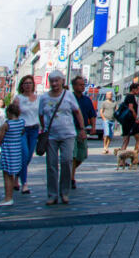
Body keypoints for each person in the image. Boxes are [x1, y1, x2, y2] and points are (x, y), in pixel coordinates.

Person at [39, 70, 86, 205]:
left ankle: (64, 192)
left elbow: (77, 112)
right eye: (52, 81)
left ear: (62, 82)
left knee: (66, 162)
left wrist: (82, 129)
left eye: (57, 81)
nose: (54, 84)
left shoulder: (68, 95)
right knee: (51, 165)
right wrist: (44, 129)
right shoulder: (44, 98)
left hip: (68, 134)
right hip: (51, 136)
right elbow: (41, 115)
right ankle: (52, 195)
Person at [13, 75, 40, 194]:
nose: (28, 85)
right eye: (25, 83)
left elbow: (41, 113)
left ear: (33, 85)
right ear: (22, 86)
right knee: (24, 154)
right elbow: (13, 115)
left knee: (28, 156)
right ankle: (24, 183)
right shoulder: (18, 98)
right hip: (22, 129)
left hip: (34, 129)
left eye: (30, 83)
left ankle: (16, 177)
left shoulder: (38, 98)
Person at [0, 102, 25, 207]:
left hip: (8, 150)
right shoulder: (21, 122)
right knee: (12, 174)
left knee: (7, 175)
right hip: (17, 151)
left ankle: (8, 198)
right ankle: (9, 196)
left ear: (8, 112)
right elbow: (22, 132)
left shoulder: (6, 124)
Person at [71, 77, 97, 188]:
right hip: (71, 130)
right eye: (80, 84)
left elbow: (92, 114)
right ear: (74, 86)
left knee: (82, 155)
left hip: (82, 130)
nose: (82, 87)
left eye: (83, 84)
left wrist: (93, 127)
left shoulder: (87, 100)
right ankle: (71, 178)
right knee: (73, 155)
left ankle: (68, 172)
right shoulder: (69, 98)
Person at [118, 83, 139, 163]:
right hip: (131, 121)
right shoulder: (131, 96)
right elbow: (131, 108)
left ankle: (121, 161)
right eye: (137, 89)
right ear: (133, 89)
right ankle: (134, 159)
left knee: (126, 140)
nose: (138, 91)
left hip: (126, 121)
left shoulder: (128, 96)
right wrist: (136, 118)